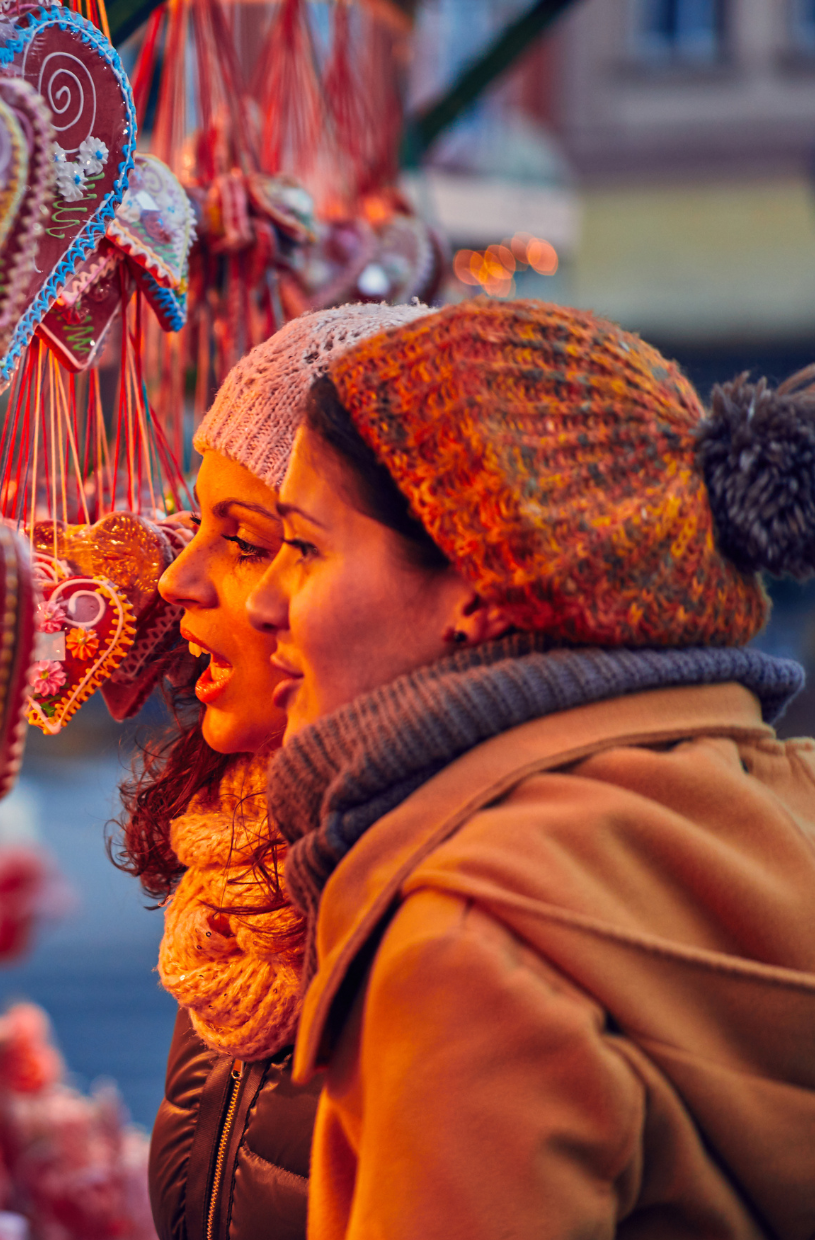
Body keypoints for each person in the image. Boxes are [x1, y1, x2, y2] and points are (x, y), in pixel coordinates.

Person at [244, 297, 815, 1238]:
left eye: (302, 547)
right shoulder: (770, 800)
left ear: (480, 588)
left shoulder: (470, 948)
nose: (266, 601)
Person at [118, 303, 430, 1240]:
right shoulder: (234, 894)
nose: (179, 581)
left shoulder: (429, 912)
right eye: (199, 525)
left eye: (254, 542)